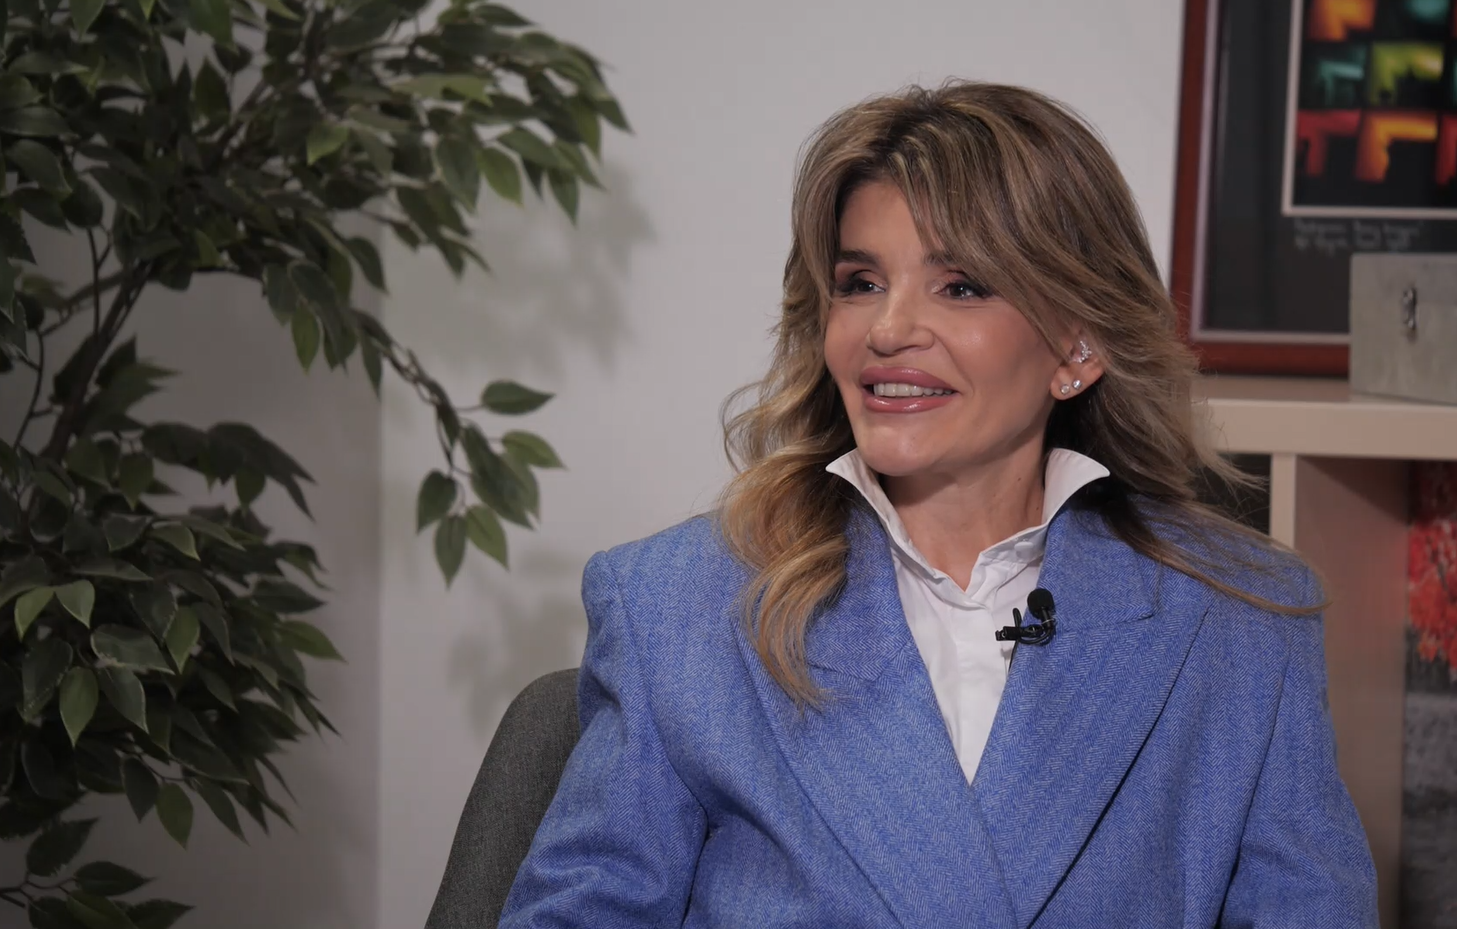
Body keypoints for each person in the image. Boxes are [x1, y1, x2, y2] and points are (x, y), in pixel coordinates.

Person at [497, 81, 1377, 927]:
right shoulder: (674, 607)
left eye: (959, 286)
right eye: (860, 282)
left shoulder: (1242, 622)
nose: (886, 330)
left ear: (1077, 345)